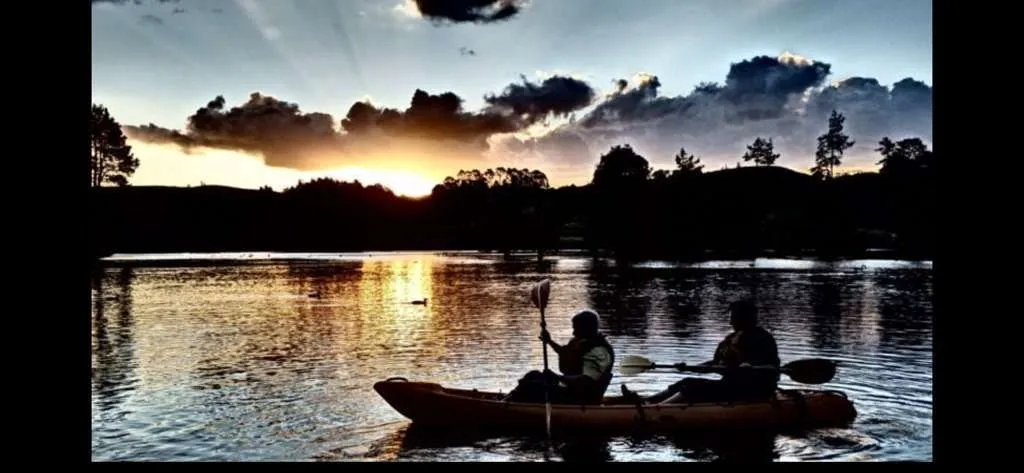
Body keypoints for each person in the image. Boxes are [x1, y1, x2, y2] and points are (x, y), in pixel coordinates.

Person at [647, 299, 780, 404]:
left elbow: (769, 367)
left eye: (734, 317)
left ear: (746, 318)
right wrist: (690, 368)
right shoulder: (730, 340)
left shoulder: (763, 340)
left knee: (692, 387)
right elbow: (716, 364)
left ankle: (658, 409)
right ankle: (648, 401)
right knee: (686, 382)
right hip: (731, 386)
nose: (731, 322)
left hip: (753, 391)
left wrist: (750, 367)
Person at [504, 309, 616, 405]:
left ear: (586, 328)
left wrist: (557, 377)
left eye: (576, 329)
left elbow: (586, 380)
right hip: (570, 391)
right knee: (533, 375)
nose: (573, 333)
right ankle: (509, 399)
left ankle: (510, 403)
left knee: (533, 386)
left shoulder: (599, 351)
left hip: (582, 398)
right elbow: (566, 354)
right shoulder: (581, 342)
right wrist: (549, 341)